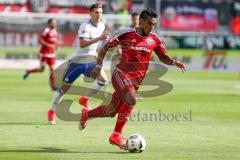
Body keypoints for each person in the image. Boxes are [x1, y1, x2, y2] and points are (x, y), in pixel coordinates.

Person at [78, 8, 186, 149]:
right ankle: (116, 135)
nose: (151, 27)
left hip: (135, 83)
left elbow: (163, 57)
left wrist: (174, 62)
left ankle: (87, 114)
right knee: (132, 99)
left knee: (111, 111)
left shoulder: (154, 39)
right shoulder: (126, 34)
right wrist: (98, 67)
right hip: (120, 75)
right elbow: (104, 49)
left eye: (154, 24)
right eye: (149, 23)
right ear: (141, 21)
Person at [47, 3, 108, 124]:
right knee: (64, 88)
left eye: (100, 12)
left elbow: (95, 46)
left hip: (90, 60)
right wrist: (99, 39)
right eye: (96, 12)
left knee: (103, 79)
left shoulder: (102, 25)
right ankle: (52, 110)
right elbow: (82, 44)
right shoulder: (85, 26)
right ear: (91, 13)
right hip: (77, 62)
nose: (99, 15)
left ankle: (85, 99)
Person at [23, 18, 58, 91]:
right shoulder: (46, 31)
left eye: (55, 23)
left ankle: (53, 86)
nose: (55, 24)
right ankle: (28, 71)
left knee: (52, 69)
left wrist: (56, 46)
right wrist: (49, 46)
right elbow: (40, 40)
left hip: (51, 54)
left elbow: (54, 41)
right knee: (42, 69)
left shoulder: (55, 31)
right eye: (53, 23)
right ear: (49, 24)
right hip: (44, 53)